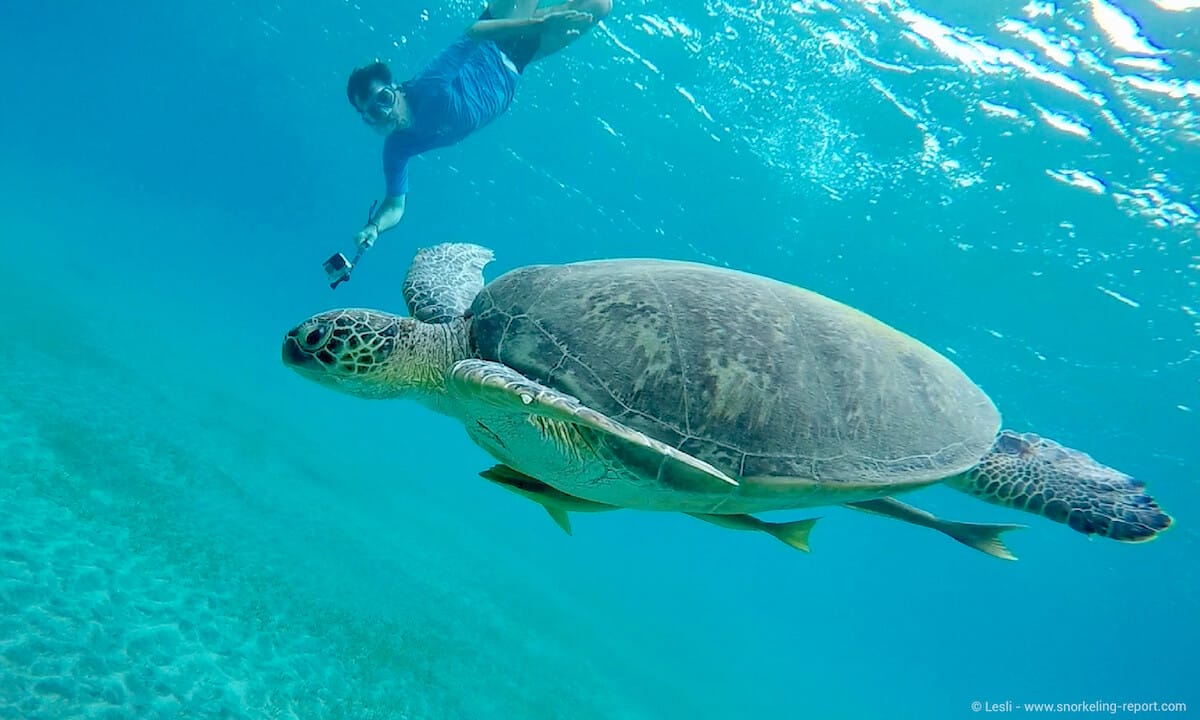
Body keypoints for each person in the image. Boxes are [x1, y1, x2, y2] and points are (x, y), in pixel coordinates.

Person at [345, 0, 611, 253]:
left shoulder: (427, 85)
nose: (385, 112)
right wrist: (374, 228)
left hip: (498, 35)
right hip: (518, 63)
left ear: (395, 89)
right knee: (600, 5)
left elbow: (474, 32)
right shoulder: (397, 148)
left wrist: (539, 24)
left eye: (384, 99)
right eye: (373, 111)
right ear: (367, 119)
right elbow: (395, 204)